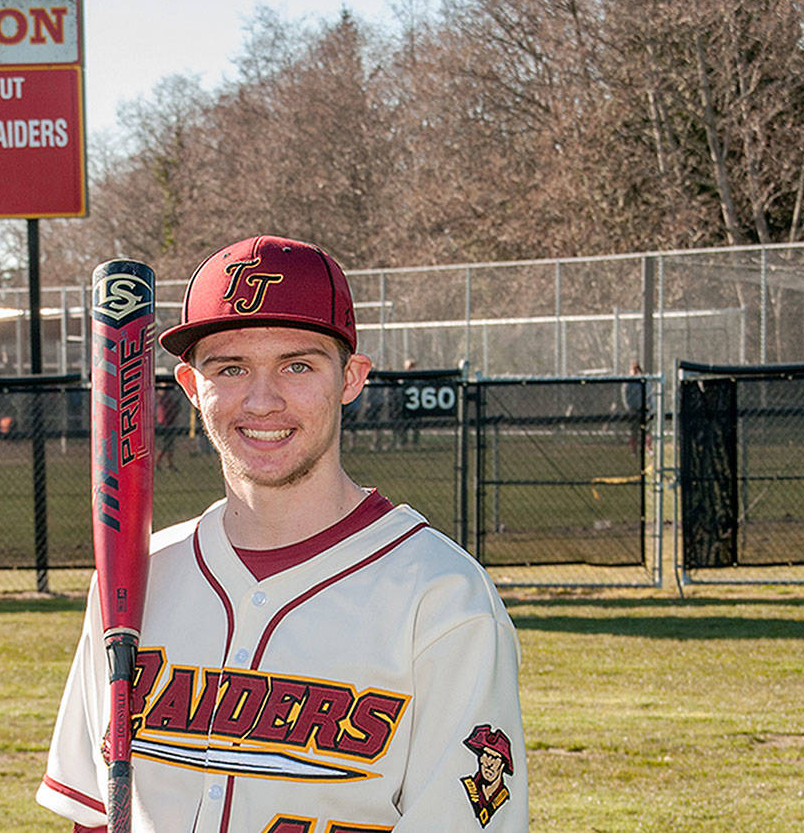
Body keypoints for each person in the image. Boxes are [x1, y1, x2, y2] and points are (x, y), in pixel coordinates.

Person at [37, 235, 527, 832]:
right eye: (231, 367)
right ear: (192, 388)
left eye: (297, 365)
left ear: (351, 378)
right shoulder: (136, 580)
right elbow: (93, 814)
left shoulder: (442, 597)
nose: (263, 400)